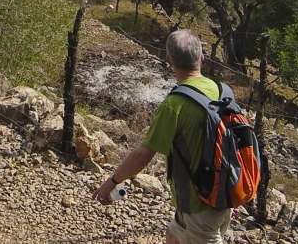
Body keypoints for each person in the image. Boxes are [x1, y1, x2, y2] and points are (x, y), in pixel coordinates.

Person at [93, 29, 232, 244]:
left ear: (170, 61)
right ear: (201, 57)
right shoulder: (221, 91)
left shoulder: (174, 105)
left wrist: (112, 181)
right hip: (224, 192)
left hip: (199, 204)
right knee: (174, 235)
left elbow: (143, 155)